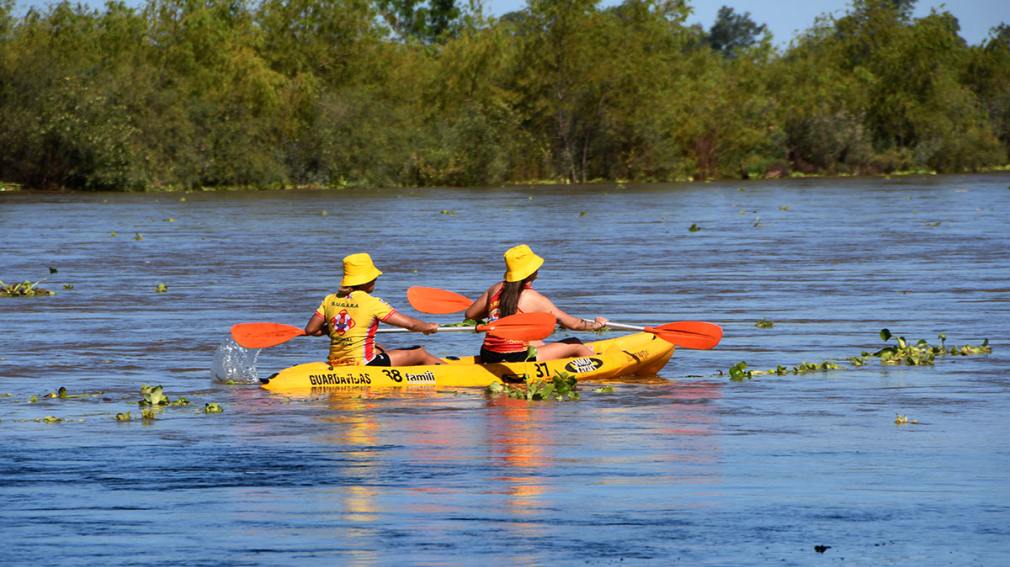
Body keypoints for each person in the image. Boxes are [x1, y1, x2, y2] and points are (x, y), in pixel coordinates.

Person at [465, 244, 608, 362]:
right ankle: (597, 363)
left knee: (536, 341)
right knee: (575, 343)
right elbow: (573, 324)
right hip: (515, 357)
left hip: (488, 354)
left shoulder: (495, 288)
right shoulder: (533, 298)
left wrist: (494, 310)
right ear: (532, 271)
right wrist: (596, 325)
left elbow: (470, 314)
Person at [305, 253, 442, 366]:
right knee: (419, 352)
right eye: (374, 278)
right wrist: (427, 327)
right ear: (365, 281)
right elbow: (411, 325)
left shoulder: (329, 299)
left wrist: (333, 330)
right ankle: (451, 372)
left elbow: (311, 330)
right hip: (363, 363)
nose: (375, 280)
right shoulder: (372, 303)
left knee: (378, 348)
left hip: (336, 361)